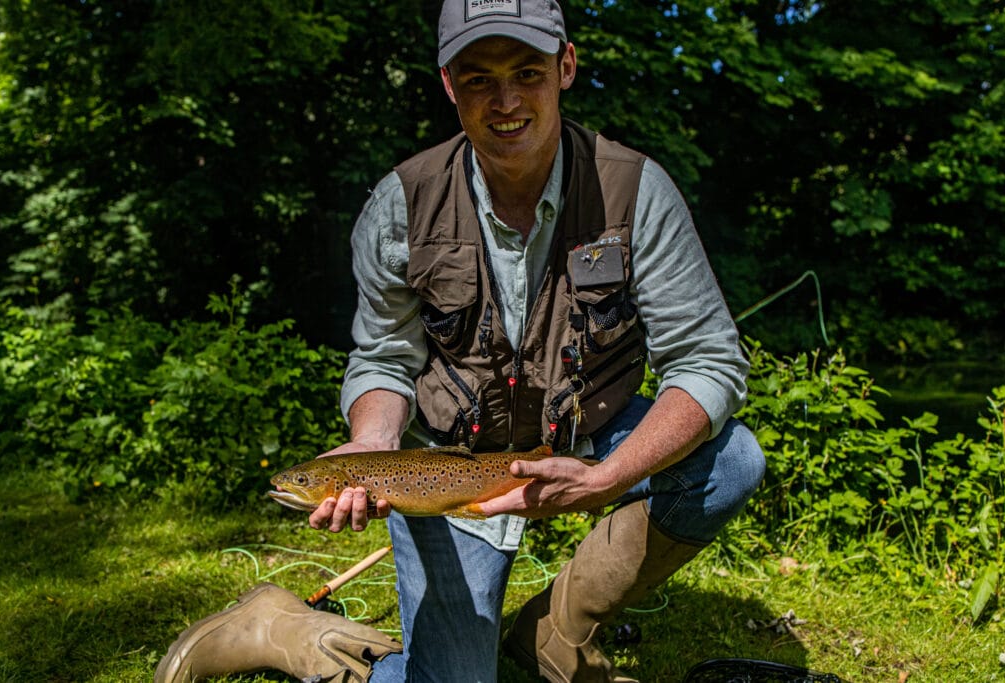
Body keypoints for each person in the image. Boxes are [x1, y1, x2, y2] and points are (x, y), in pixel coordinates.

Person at [155, 1, 766, 681]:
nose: (505, 100)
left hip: (585, 434)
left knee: (729, 459)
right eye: (478, 78)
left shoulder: (636, 191)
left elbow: (708, 360)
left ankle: (555, 634)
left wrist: (607, 478)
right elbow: (386, 357)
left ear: (565, 66)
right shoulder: (400, 204)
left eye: (527, 72)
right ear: (449, 83)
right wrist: (371, 445)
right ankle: (286, 627)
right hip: (446, 463)